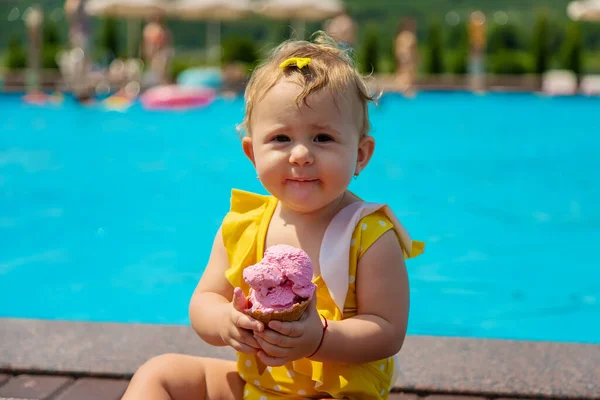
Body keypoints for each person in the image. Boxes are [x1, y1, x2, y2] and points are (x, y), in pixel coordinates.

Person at [121, 32, 425, 400]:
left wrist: (320, 339)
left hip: (331, 392)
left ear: (360, 155)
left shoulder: (370, 235)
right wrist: (226, 322)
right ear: (252, 153)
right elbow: (204, 300)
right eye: (281, 139)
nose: (300, 154)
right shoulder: (244, 224)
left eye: (323, 138)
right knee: (160, 373)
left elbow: (388, 331)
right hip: (257, 387)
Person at [394, 17, 419, 97]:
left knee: (402, 73)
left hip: (402, 57)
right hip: (408, 58)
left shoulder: (399, 36)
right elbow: (414, 50)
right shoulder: (410, 36)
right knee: (408, 74)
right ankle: (407, 90)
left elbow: (397, 49)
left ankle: (402, 89)